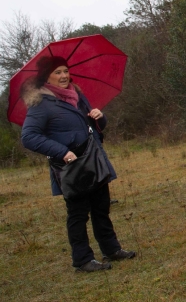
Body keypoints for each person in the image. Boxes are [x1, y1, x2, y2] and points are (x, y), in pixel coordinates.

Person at [21, 56, 136, 272]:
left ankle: (111, 249)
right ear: (47, 76)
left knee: (102, 208)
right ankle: (83, 260)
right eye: (57, 72)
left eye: (65, 71)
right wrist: (62, 151)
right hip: (71, 168)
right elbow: (29, 137)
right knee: (78, 214)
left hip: (93, 160)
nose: (64, 76)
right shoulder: (41, 104)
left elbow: (95, 126)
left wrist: (99, 117)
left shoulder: (77, 95)